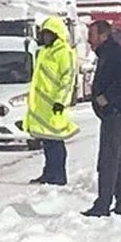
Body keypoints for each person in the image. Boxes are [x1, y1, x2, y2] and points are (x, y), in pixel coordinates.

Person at [83, 19, 121, 217]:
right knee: (117, 159)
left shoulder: (115, 55)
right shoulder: (108, 54)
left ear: (103, 35)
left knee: (108, 161)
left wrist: (105, 100)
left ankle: (102, 206)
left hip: (117, 114)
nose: (89, 40)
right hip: (116, 114)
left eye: (91, 35)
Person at [24, 16, 79, 185]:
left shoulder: (64, 53)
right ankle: (49, 173)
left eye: (48, 34)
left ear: (56, 34)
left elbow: (68, 79)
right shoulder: (44, 52)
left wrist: (60, 101)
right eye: (44, 34)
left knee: (55, 142)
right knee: (48, 142)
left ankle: (59, 175)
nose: (45, 37)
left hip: (55, 106)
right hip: (42, 107)